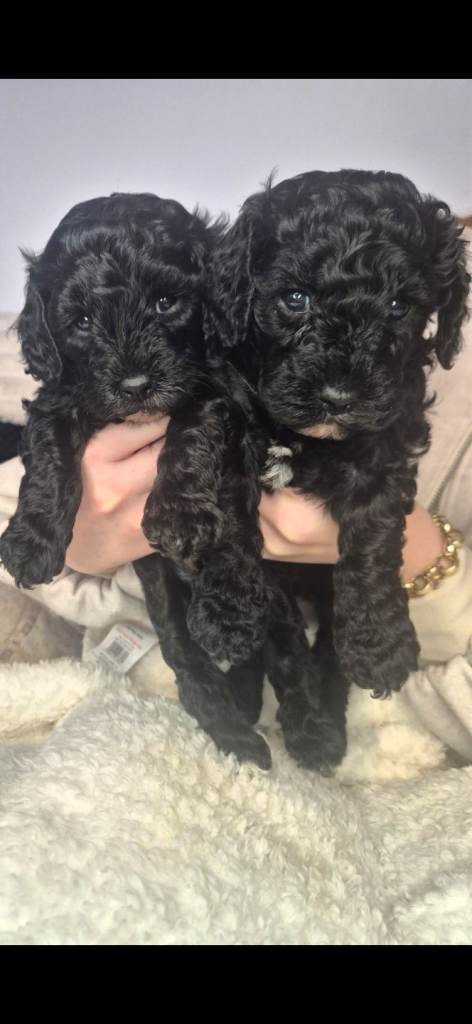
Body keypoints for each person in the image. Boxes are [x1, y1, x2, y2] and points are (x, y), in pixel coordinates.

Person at [0, 230, 471, 757]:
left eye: (163, 302)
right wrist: (69, 536)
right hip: (155, 621)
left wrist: (420, 554)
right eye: (295, 300)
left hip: (381, 652)